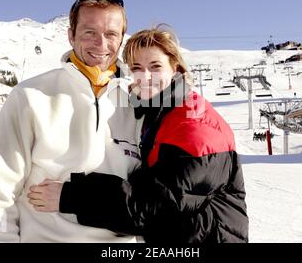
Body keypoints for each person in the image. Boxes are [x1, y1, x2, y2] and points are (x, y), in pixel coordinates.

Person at [28, 26, 249, 243]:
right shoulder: (159, 113)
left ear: (176, 69)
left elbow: (153, 206)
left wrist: (71, 196)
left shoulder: (195, 127)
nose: (145, 77)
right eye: (136, 68)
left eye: (155, 67)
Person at [0, 0, 141, 242]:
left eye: (111, 34)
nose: (101, 44)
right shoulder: (31, 96)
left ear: (120, 40)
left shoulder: (138, 104)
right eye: (89, 32)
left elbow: (155, 201)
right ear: (71, 35)